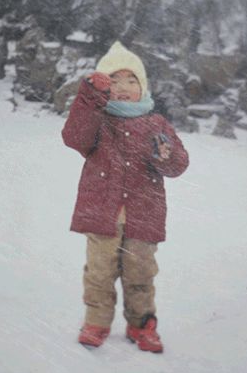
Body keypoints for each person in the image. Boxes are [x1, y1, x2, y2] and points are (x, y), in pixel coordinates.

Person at [62, 41, 189, 353]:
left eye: (131, 81)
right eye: (114, 81)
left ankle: (141, 324)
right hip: (102, 212)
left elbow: (179, 164)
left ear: (142, 86)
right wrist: (90, 97)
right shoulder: (97, 118)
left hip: (143, 213)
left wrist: (164, 156)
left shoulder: (157, 123)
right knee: (99, 273)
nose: (123, 88)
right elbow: (74, 137)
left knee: (140, 273)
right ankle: (96, 322)